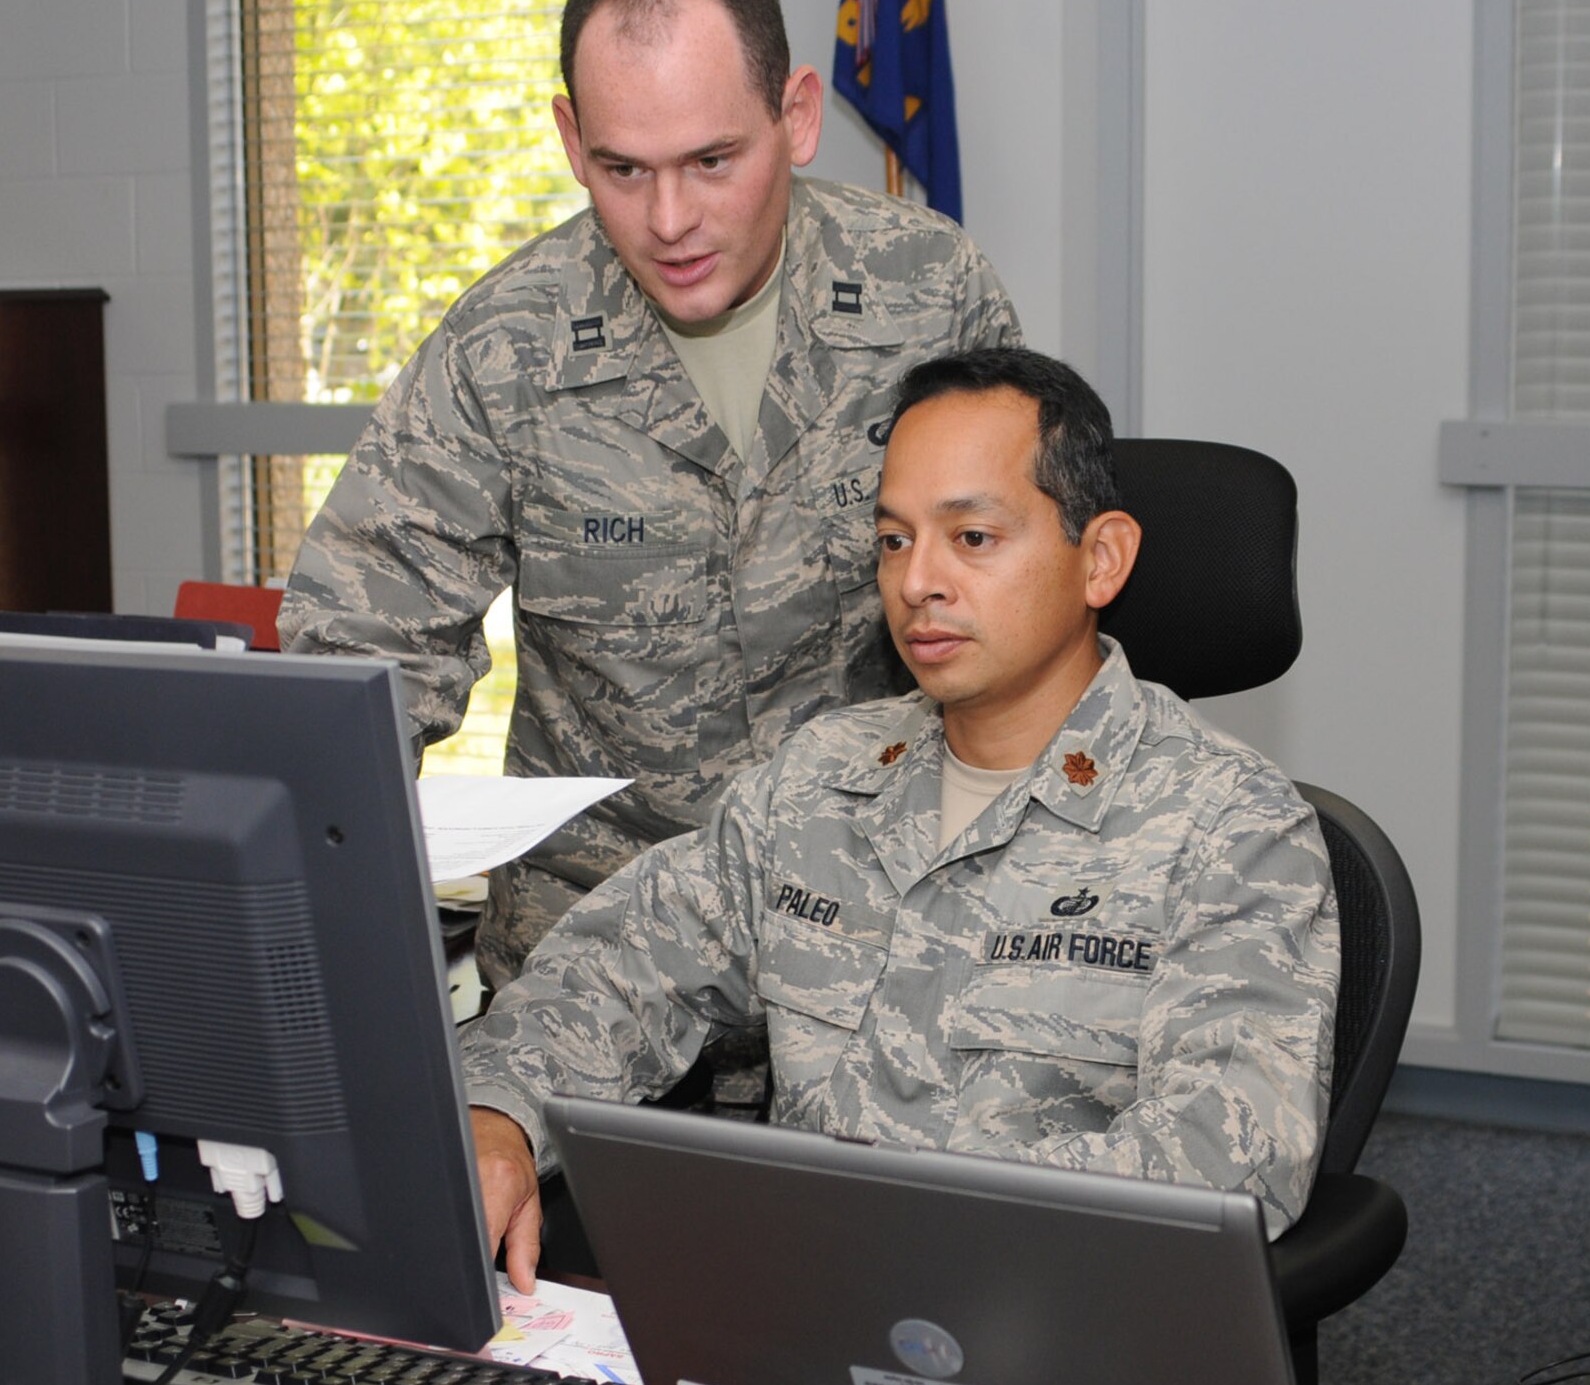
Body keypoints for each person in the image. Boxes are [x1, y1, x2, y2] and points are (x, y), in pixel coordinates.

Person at [459, 346, 1341, 1293]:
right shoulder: (820, 780)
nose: (917, 580)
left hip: (1047, 1328)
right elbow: (620, 966)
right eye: (892, 539)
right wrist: (497, 1118)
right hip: (794, 1327)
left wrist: (909, 1241)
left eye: (972, 538)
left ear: (1102, 558)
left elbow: (1229, 1150)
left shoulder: (1231, 828)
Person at [279, 0, 1022, 986]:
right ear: (571, 141)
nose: (668, 221)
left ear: (797, 116)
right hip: (595, 951)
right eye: (622, 170)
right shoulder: (506, 344)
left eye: (712, 162)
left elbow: (1028, 620)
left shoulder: (930, 296)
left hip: (879, 937)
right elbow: (357, 650)